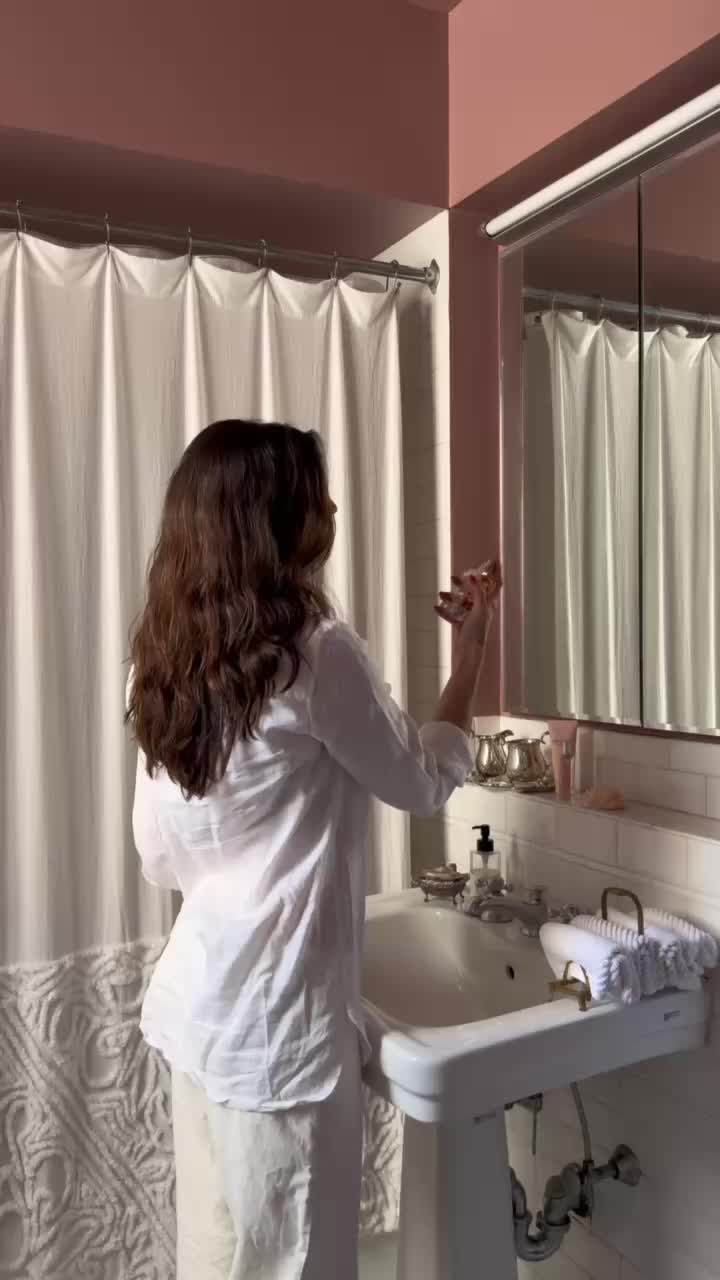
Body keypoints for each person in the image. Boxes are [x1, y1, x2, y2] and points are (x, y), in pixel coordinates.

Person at [126, 419, 501, 1280]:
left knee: (214, 1263)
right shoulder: (314, 655)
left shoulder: (164, 662)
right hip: (279, 1043)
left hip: (198, 1017)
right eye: (314, 497)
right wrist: (471, 654)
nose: (332, 510)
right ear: (271, 520)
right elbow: (421, 783)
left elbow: (158, 858)